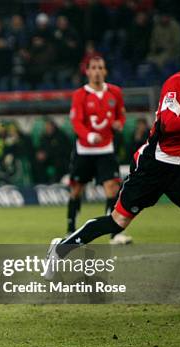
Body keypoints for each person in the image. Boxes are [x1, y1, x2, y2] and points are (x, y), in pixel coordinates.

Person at [45, 36, 180, 295]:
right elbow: (165, 125)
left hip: (178, 166)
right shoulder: (178, 83)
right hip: (152, 166)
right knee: (117, 222)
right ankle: (61, 248)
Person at [66, 56, 132, 245]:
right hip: (84, 150)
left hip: (105, 149)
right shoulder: (80, 95)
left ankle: (114, 234)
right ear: (87, 71)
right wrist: (88, 136)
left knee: (112, 188)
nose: (96, 71)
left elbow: (121, 114)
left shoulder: (115, 92)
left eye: (100, 67)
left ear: (105, 71)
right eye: (93, 67)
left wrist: (120, 123)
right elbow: (76, 122)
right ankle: (70, 229)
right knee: (76, 190)